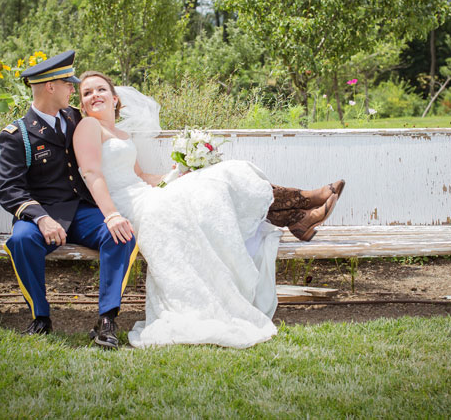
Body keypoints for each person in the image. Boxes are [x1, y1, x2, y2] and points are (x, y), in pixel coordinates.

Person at [73, 71, 344, 348]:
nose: (94, 95)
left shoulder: (122, 134)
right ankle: (302, 204)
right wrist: (112, 215)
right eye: (87, 93)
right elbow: (92, 173)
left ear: (115, 98)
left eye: (101, 90)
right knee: (219, 181)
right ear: (82, 105)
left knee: (220, 177)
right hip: (129, 208)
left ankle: (298, 211)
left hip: (147, 195)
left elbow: (140, 177)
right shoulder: (88, 128)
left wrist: (177, 173)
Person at [0, 51, 136, 350]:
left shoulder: (75, 118)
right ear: (50, 87)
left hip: (82, 212)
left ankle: (107, 319)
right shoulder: (17, 134)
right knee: (20, 240)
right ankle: (40, 318)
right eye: (68, 84)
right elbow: (10, 189)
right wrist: (41, 217)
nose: (74, 89)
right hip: (43, 215)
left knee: (121, 235)